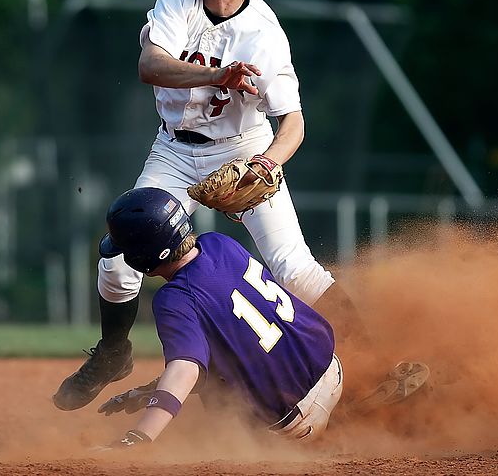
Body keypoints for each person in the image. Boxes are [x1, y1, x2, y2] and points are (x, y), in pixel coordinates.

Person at [53, 0, 423, 412]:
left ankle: (382, 367)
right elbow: (149, 66)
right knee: (119, 257)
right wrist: (221, 76)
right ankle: (113, 352)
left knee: (295, 269)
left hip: (242, 148)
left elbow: (293, 123)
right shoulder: (177, 0)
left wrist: (266, 165)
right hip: (174, 151)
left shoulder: (263, 33)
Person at [89, 187, 343, 448]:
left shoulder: (173, 298)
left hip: (295, 422)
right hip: (332, 370)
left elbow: (185, 369)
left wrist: (139, 437)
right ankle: (350, 413)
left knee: (215, 397)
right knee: (218, 351)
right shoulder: (218, 243)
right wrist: (151, 391)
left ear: (142, 257)